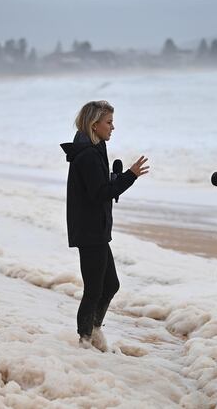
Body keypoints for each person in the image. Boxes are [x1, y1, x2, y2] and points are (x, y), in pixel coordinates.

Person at [61, 100, 149, 351]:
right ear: (94, 124)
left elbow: (100, 189)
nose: (113, 127)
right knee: (95, 288)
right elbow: (101, 193)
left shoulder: (94, 148)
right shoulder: (88, 154)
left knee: (110, 285)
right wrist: (130, 175)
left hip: (95, 229)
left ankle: (93, 331)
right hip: (90, 231)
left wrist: (119, 178)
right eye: (109, 122)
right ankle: (85, 339)